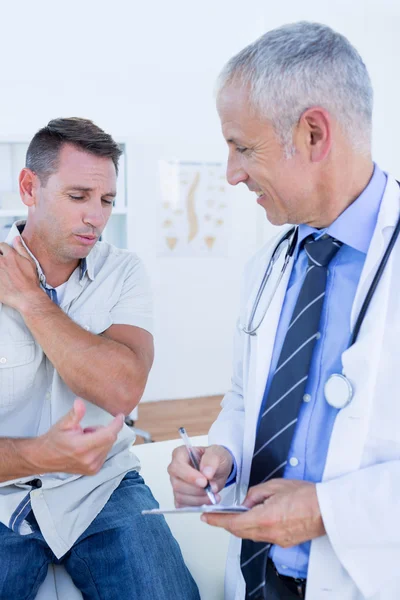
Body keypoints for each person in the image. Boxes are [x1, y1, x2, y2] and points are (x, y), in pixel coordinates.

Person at [168, 21, 400, 600]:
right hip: (257, 578)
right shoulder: (270, 264)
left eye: (243, 147)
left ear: (314, 133)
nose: (232, 173)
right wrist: (221, 452)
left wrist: (327, 510)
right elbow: (246, 397)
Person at [0, 117, 199, 600]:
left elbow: (122, 389)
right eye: (78, 196)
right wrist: (35, 456)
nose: (97, 216)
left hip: (101, 487)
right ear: (30, 187)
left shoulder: (124, 271)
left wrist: (30, 300)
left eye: (107, 200)